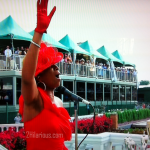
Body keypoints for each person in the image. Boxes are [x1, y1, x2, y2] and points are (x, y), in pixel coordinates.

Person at [19, 0, 71, 150]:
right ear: (39, 76)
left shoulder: (59, 101)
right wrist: (39, 32)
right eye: (51, 66)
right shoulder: (34, 100)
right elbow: (27, 79)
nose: (56, 67)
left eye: (56, 65)